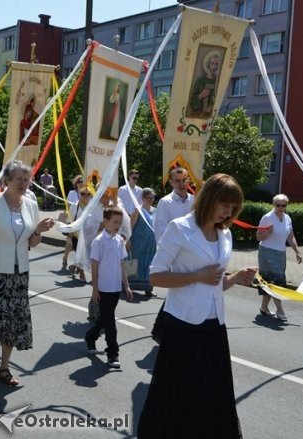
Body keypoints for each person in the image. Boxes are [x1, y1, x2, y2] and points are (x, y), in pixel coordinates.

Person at [137, 174, 257, 438]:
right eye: (225, 204)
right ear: (210, 199)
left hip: (215, 325)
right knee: (184, 393)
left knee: (213, 392)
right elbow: (155, 277)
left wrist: (235, 278)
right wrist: (197, 276)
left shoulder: (225, 234)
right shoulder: (180, 228)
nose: (229, 211)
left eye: (233, 206)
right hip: (183, 325)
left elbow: (215, 284)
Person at [0, 160, 54, 386]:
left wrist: (38, 230)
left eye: (27, 179)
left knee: (14, 319)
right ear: (7, 180)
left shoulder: (31, 204)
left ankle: (4, 369)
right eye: (19, 179)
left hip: (20, 272)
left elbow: (32, 243)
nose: (24, 183)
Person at [85, 205, 133, 368]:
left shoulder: (119, 240)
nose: (118, 225)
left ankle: (90, 337)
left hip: (115, 288)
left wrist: (126, 286)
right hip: (103, 288)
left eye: (120, 222)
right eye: (115, 222)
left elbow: (122, 265)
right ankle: (113, 353)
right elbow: (95, 267)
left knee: (105, 318)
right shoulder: (99, 241)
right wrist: (95, 289)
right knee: (110, 322)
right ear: (105, 221)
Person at [150, 167, 195, 342]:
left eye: (185, 180)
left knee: (181, 290)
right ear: (171, 182)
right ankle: (161, 329)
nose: (182, 184)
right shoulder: (165, 203)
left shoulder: (194, 201)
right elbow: (160, 231)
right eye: (177, 181)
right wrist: (166, 257)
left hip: (191, 253)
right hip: (175, 254)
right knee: (179, 289)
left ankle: (162, 329)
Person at [256, 194, 302, 320]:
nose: (280, 208)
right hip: (267, 251)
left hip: (280, 253)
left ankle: (264, 308)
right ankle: (280, 310)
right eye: (278, 205)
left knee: (271, 280)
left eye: (283, 205)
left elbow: (290, 236)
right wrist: (268, 232)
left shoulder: (287, 218)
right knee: (275, 281)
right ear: (273, 204)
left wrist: (297, 251)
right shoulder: (267, 217)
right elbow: (258, 236)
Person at [128, 188, 157, 296]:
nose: (150, 200)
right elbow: (131, 226)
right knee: (137, 264)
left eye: (152, 198)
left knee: (150, 264)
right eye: (148, 198)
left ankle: (148, 288)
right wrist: (128, 240)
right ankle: (130, 285)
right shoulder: (137, 210)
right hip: (138, 242)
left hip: (151, 242)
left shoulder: (155, 211)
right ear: (143, 198)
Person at [187, 51, 221, 118]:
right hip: (200, 116)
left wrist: (212, 106)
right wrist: (201, 95)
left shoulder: (219, 82)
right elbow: (192, 102)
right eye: (212, 63)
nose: (214, 67)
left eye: (216, 64)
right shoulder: (200, 81)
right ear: (208, 64)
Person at [67, 187, 91, 282]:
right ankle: (82, 273)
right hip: (77, 235)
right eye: (82, 194)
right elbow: (69, 220)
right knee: (80, 254)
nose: (85, 196)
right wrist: (70, 233)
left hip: (89, 235)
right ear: (79, 195)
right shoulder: (74, 206)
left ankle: (73, 266)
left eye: (88, 194)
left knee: (87, 256)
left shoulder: (93, 206)